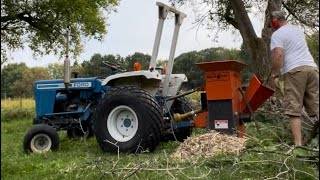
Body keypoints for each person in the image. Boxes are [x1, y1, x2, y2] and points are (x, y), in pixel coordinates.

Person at [269, 11, 319, 147]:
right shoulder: (298, 29)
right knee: (316, 108)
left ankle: (298, 146)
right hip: (312, 69)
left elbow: (278, 55)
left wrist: (275, 75)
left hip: (295, 71)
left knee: (293, 109)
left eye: (271, 23)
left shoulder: (277, 34)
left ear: (274, 21)